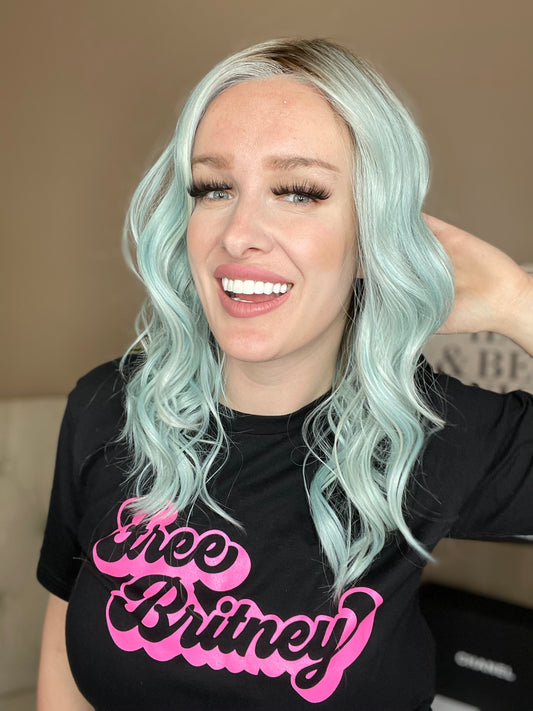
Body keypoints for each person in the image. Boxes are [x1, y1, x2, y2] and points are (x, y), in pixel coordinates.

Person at [36, 38, 533, 710]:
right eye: (213, 188)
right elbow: (62, 659)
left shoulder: (439, 431)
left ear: (372, 232)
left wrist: (514, 302)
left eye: (298, 192)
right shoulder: (110, 406)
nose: (238, 233)